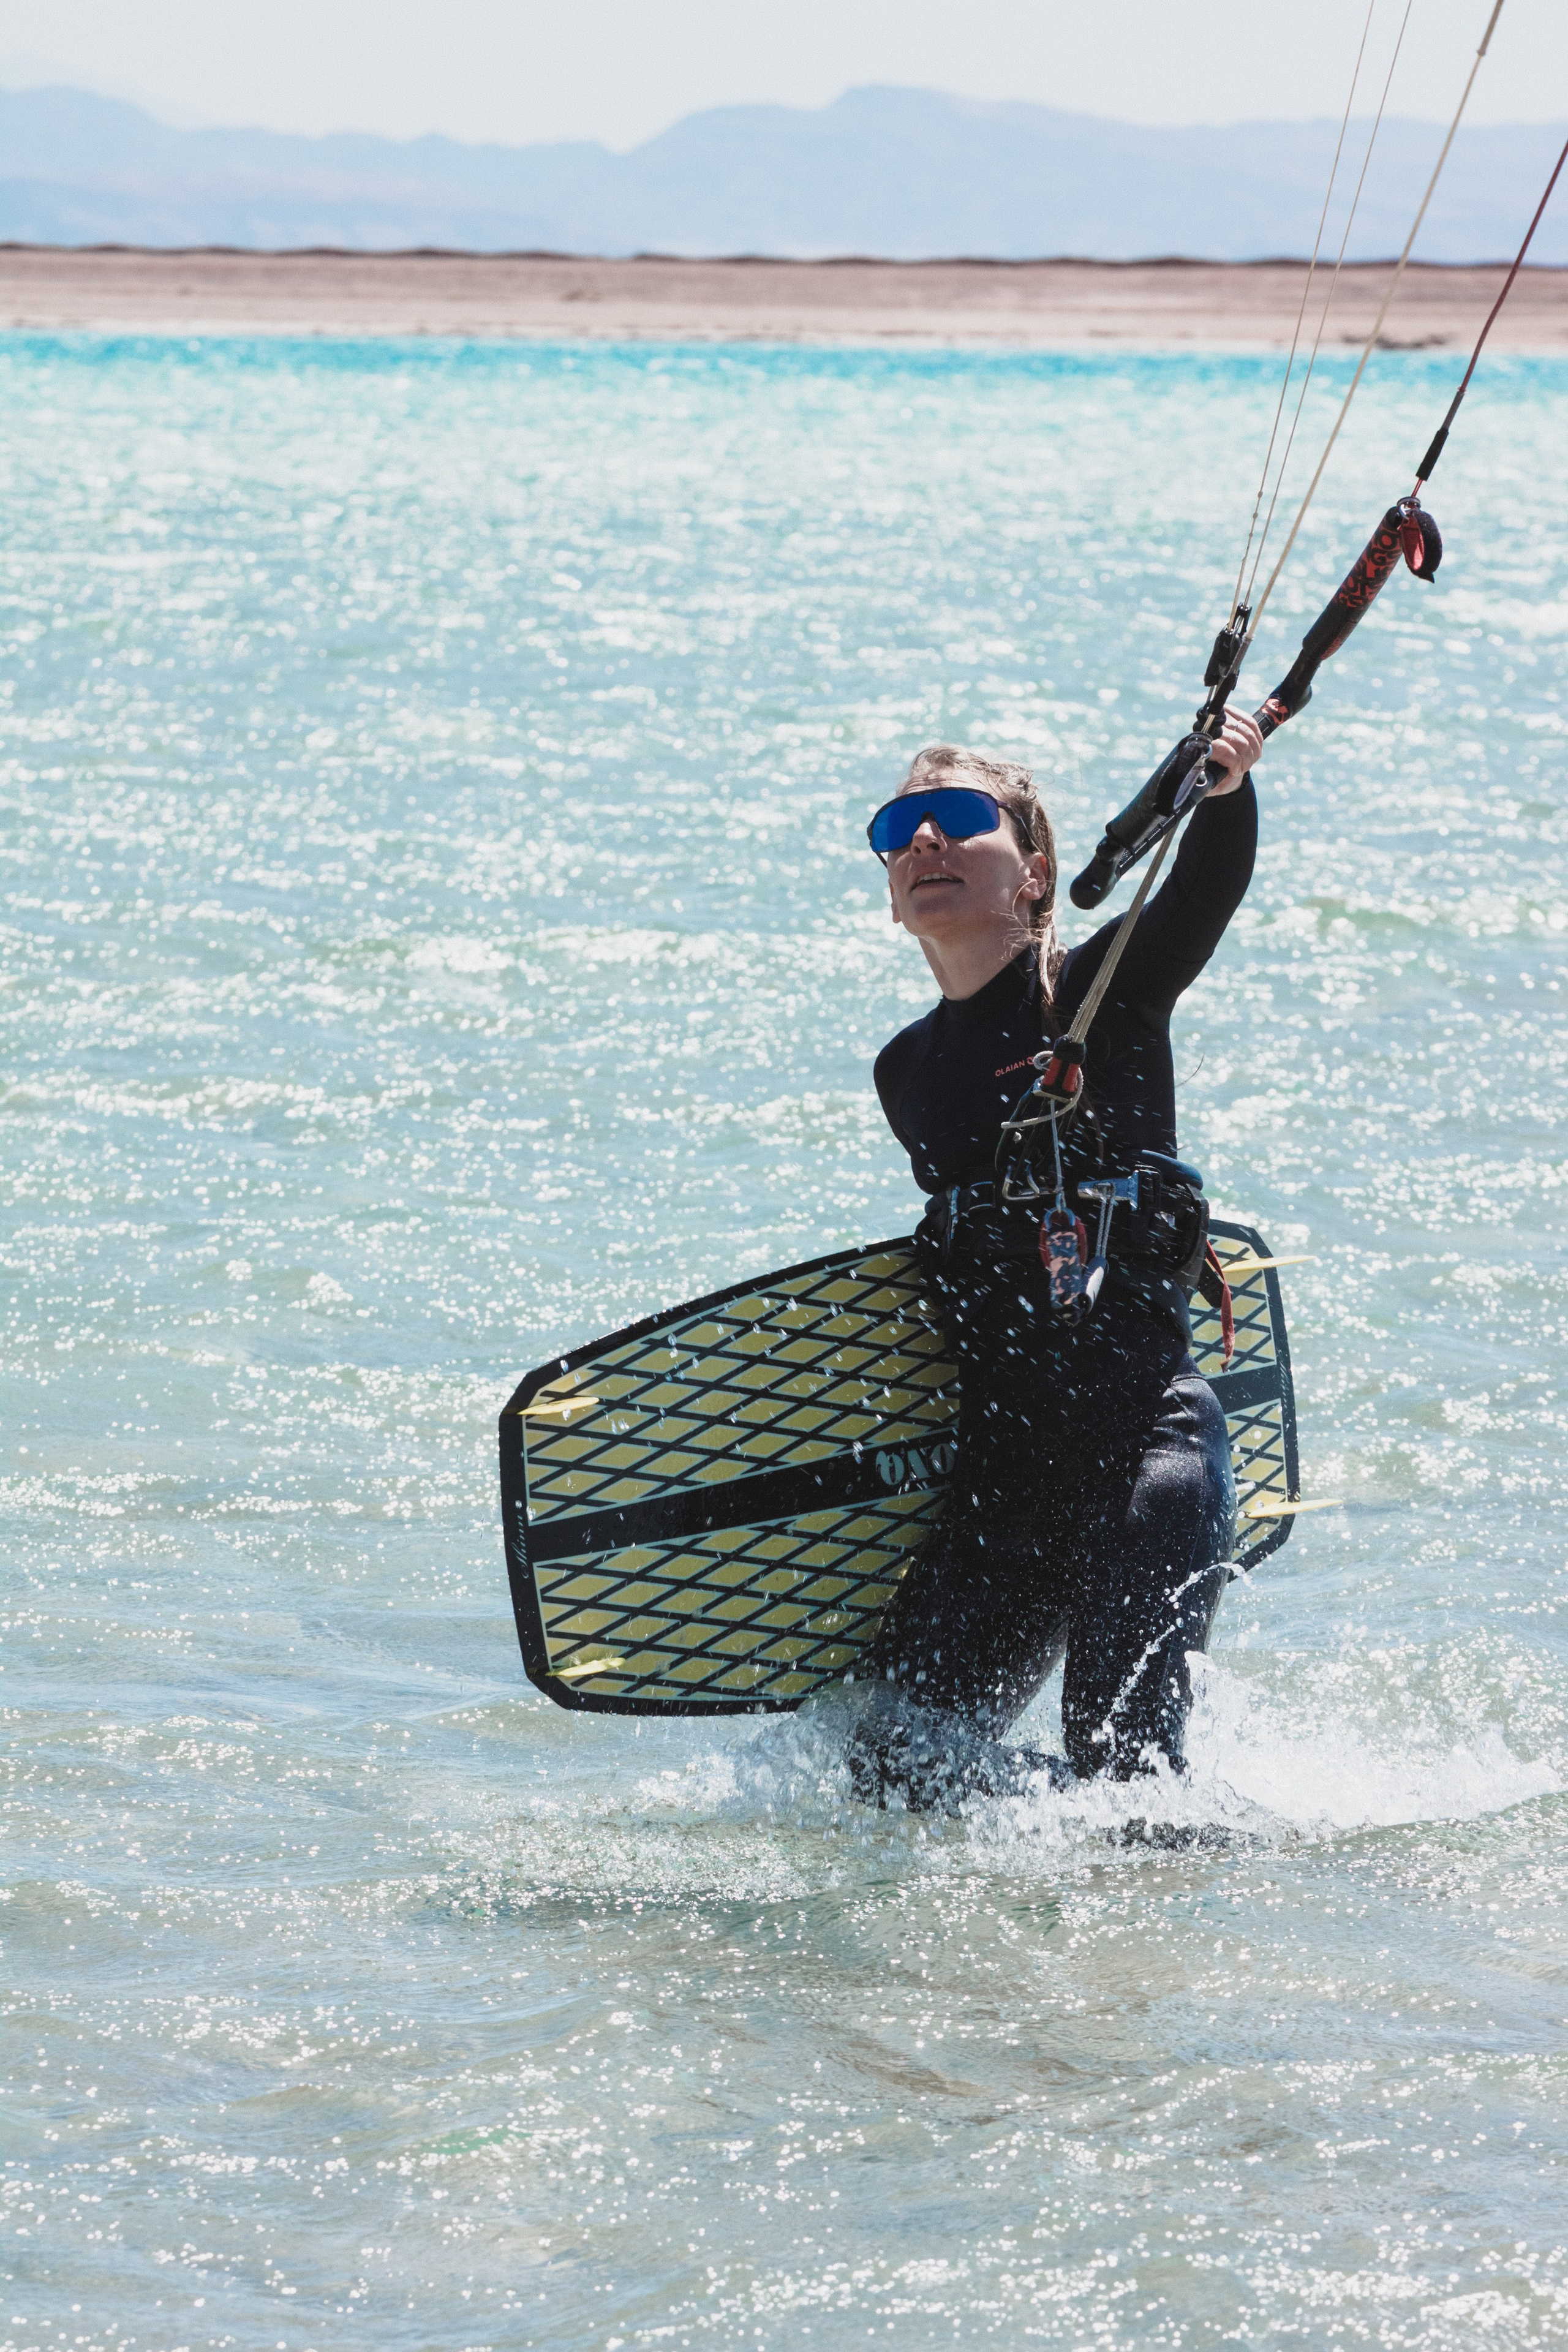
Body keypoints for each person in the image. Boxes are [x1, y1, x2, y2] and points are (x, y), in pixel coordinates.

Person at [849, 714, 1264, 1811]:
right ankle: (1051, 1869)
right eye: (900, 830)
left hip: (1147, 1451)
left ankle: (1161, 1879)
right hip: (1004, 1482)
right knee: (892, 1763)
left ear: (1035, 874)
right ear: (891, 893)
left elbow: (1200, 901)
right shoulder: (907, 1073)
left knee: (1127, 1765)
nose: (924, 841)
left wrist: (1221, 792)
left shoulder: (1103, 991)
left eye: (959, 824)